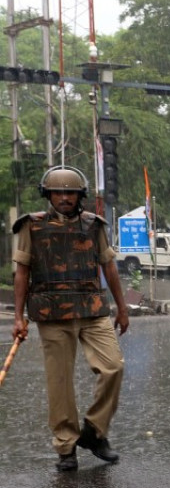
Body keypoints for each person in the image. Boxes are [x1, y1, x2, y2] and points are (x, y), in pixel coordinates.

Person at [10, 166, 128, 472]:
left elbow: (109, 267)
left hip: (92, 308)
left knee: (113, 366)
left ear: (80, 196)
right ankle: (66, 446)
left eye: (70, 192)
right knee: (59, 382)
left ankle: (94, 432)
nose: (64, 198)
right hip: (52, 312)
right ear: (48, 195)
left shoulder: (94, 225)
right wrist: (19, 317)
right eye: (58, 192)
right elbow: (21, 272)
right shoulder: (31, 226)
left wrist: (122, 307)